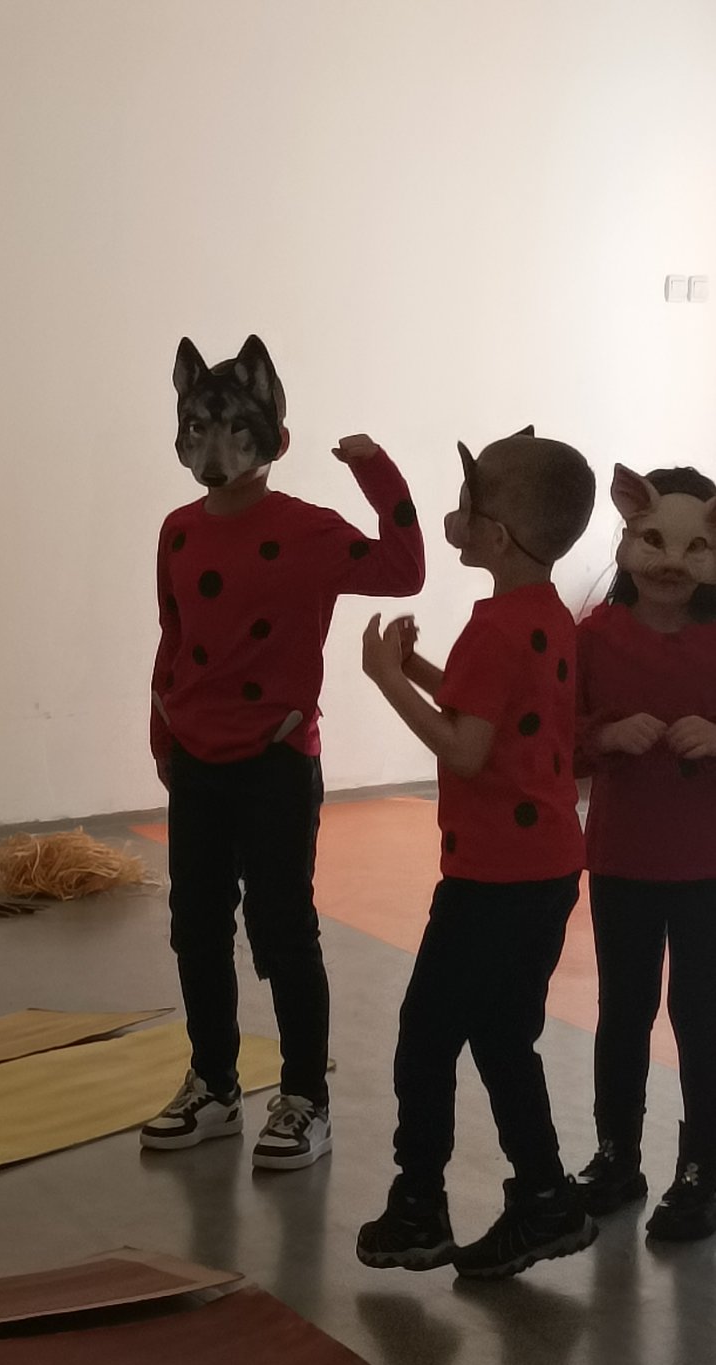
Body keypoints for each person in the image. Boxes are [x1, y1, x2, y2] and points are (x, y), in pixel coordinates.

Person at [141, 333, 425, 1166]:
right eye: (198, 429)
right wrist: (161, 731)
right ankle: (214, 1084)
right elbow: (173, 637)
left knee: (282, 929)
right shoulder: (177, 531)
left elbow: (402, 569)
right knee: (195, 925)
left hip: (274, 757)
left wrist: (376, 471)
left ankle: (304, 1097)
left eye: (235, 431)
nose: (213, 452)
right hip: (196, 756)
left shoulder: (305, 530)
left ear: (273, 436)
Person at [356, 427, 598, 1279]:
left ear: (494, 535)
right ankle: (546, 1200)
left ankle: (417, 1207)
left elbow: (463, 749)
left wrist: (387, 679)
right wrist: (421, 665)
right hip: (545, 868)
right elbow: (494, 712)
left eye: (466, 507)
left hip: (492, 877)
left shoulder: (494, 628)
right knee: (502, 1038)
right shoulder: (545, 616)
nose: (454, 520)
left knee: (426, 1036)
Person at [575, 463, 716, 1240]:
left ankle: (702, 1169)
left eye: (694, 546)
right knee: (621, 1009)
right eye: (654, 541)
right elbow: (556, 738)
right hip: (623, 857)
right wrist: (602, 735)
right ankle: (615, 1155)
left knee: (701, 1015)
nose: (670, 563)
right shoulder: (594, 637)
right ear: (628, 535)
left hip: (707, 867)